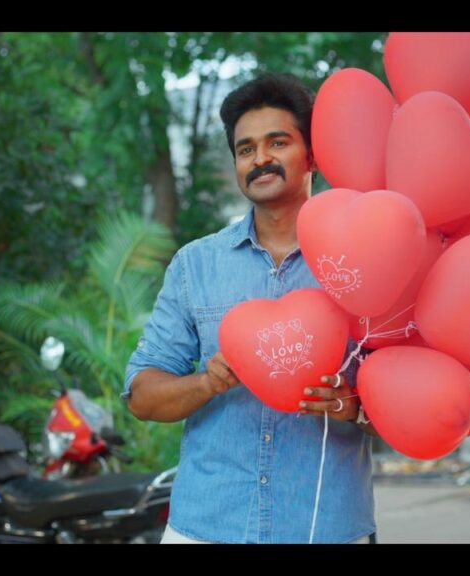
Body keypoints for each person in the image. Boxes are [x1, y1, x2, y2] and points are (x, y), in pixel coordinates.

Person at [123, 73, 377, 544]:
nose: (260, 159)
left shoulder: (364, 261)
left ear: (313, 156)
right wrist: (207, 382)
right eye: (245, 149)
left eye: (277, 142)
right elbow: (141, 395)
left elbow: (408, 401)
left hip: (323, 527)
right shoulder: (196, 265)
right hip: (205, 527)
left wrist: (355, 407)